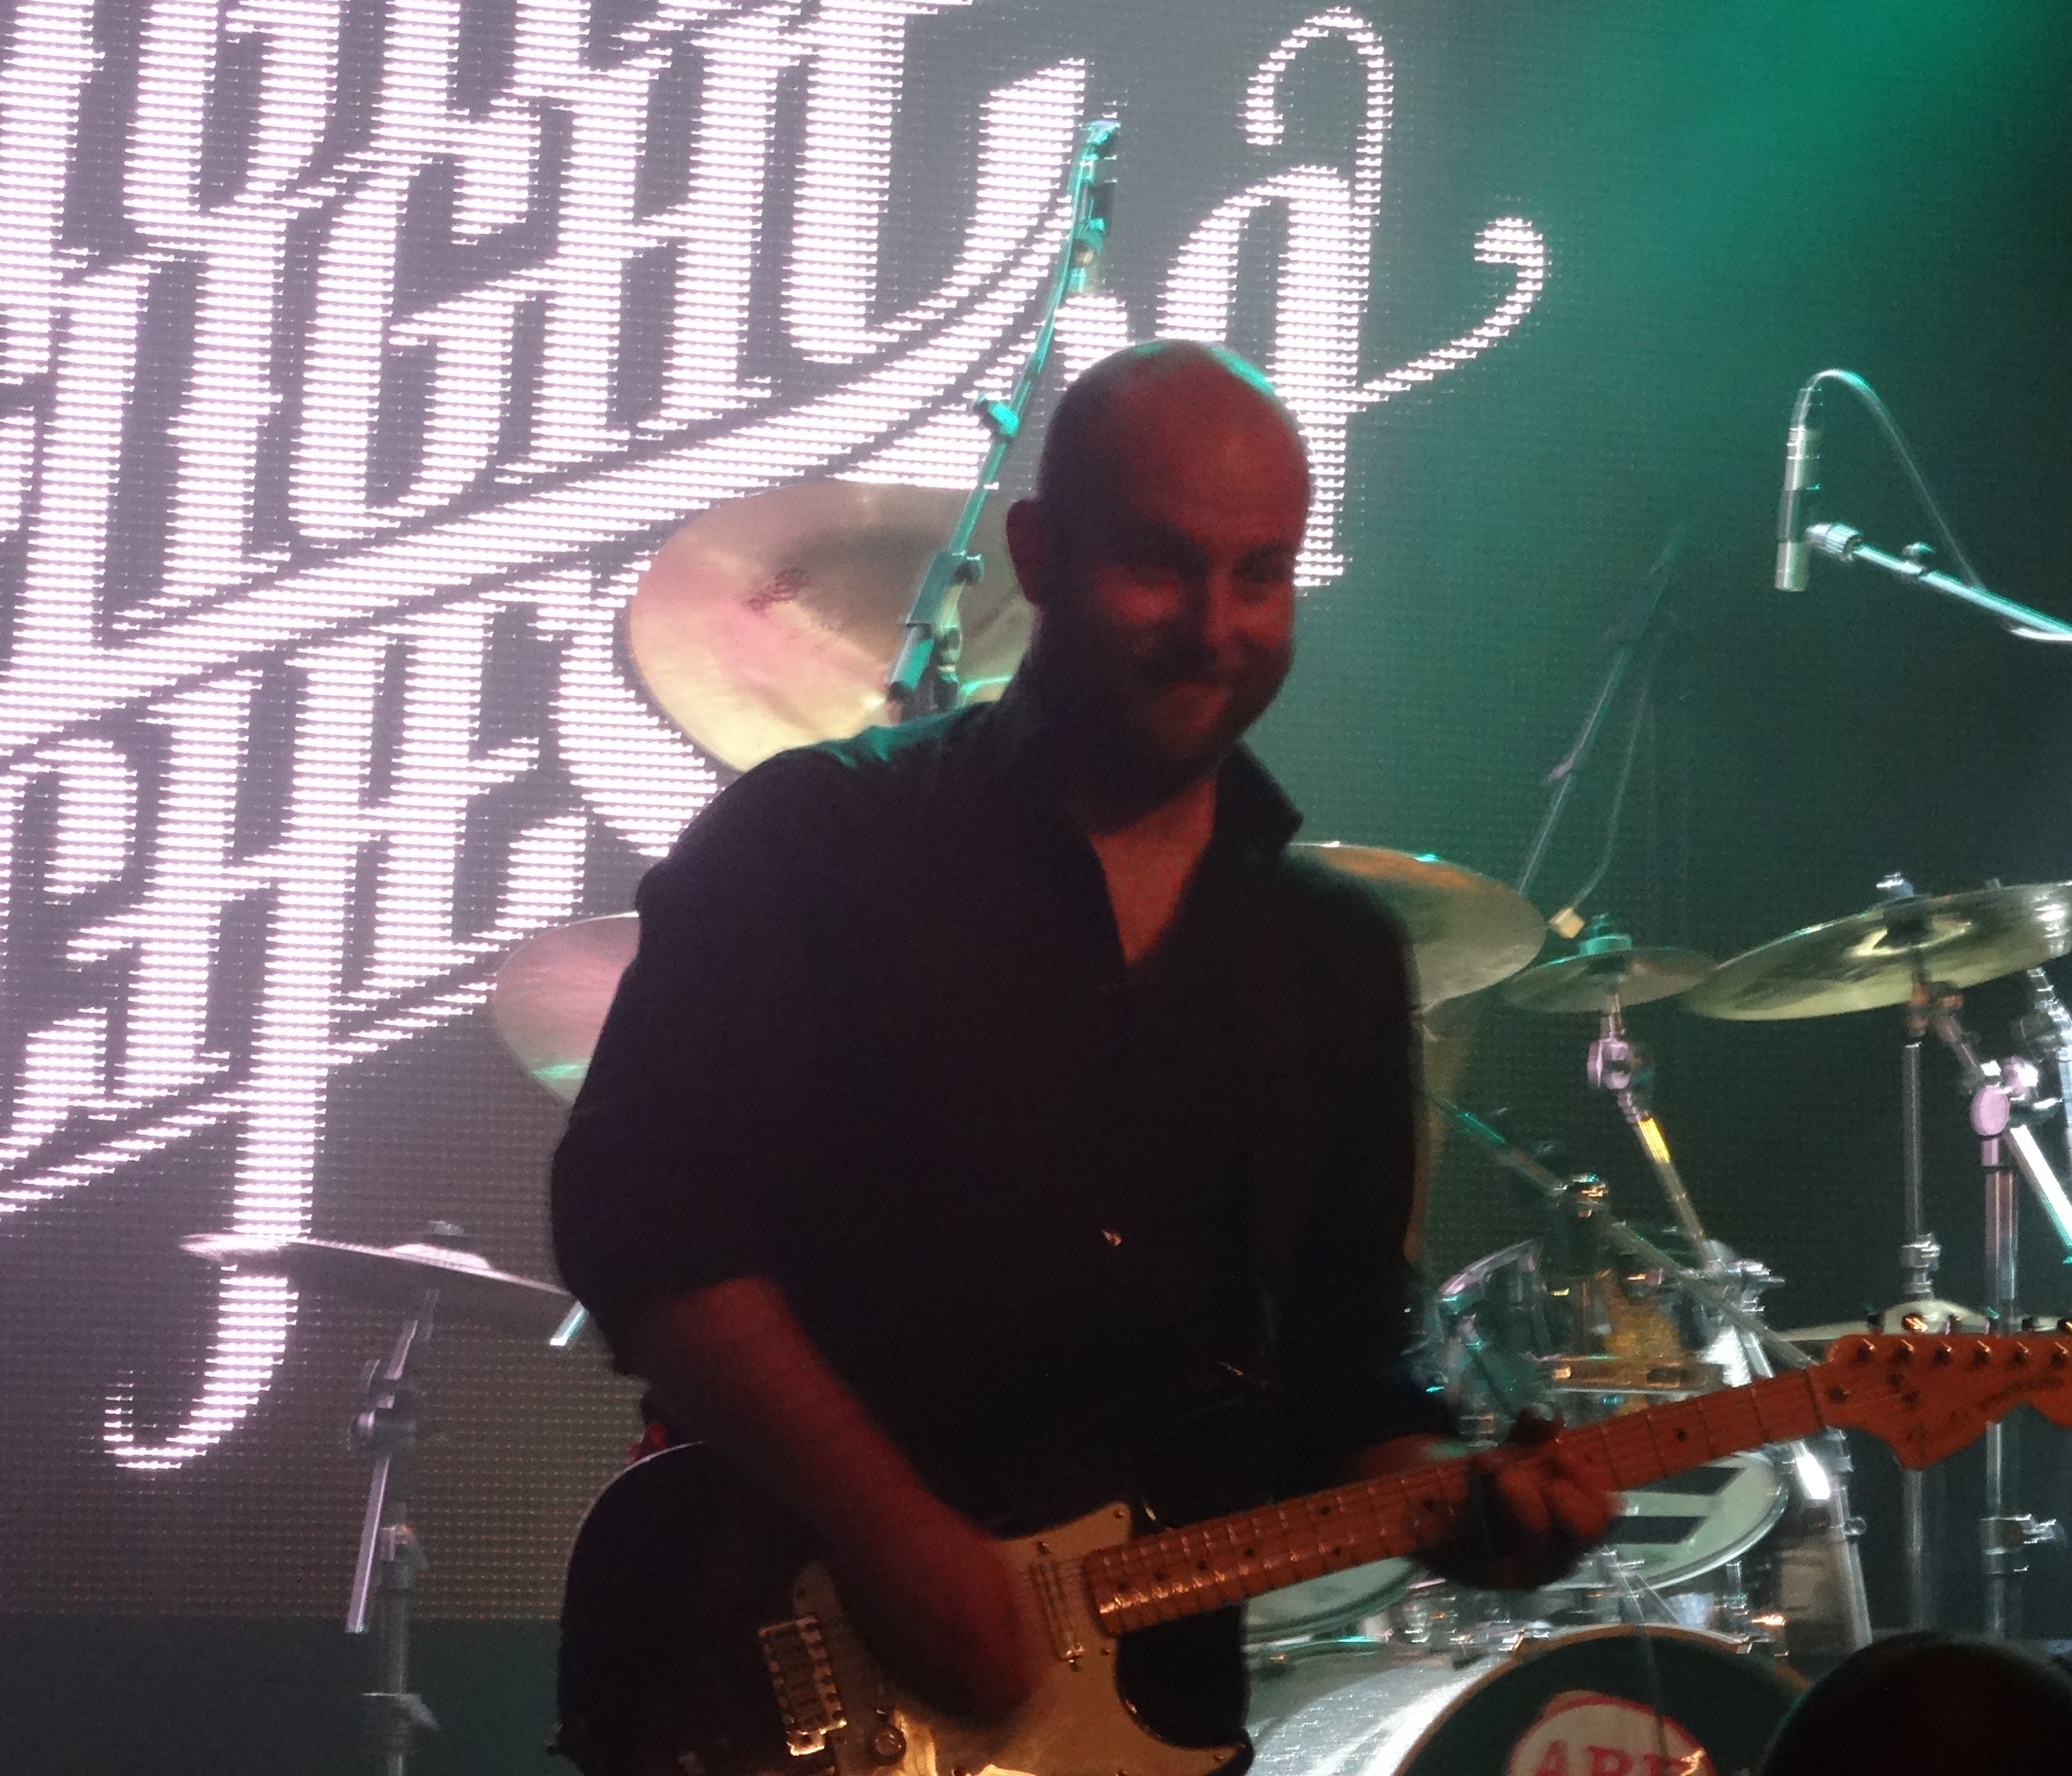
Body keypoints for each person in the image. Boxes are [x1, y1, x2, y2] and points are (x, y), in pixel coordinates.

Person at [549, 340, 1613, 1752]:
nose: (1216, 626)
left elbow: (1343, 1372)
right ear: (1038, 553)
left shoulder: (1334, 956)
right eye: (1161, 566)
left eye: (1261, 575)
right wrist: (886, 1525)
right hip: (766, 1657)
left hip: (1151, 1712)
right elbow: (640, 1225)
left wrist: (1470, 1508)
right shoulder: (818, 838)